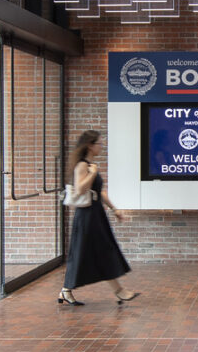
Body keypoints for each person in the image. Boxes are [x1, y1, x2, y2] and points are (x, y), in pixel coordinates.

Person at [60, 130, 140, 307]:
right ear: (90, 145)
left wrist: (115, 209)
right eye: (99, 144)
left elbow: (100, 192)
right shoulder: (83, 166)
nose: (101, 147)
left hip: (96, 213)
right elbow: (80, 189)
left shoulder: (90, 165)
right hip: (87, 215)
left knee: (85, 252)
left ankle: (66, 290)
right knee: (101, 251)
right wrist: (92, 173)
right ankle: (119, 291)